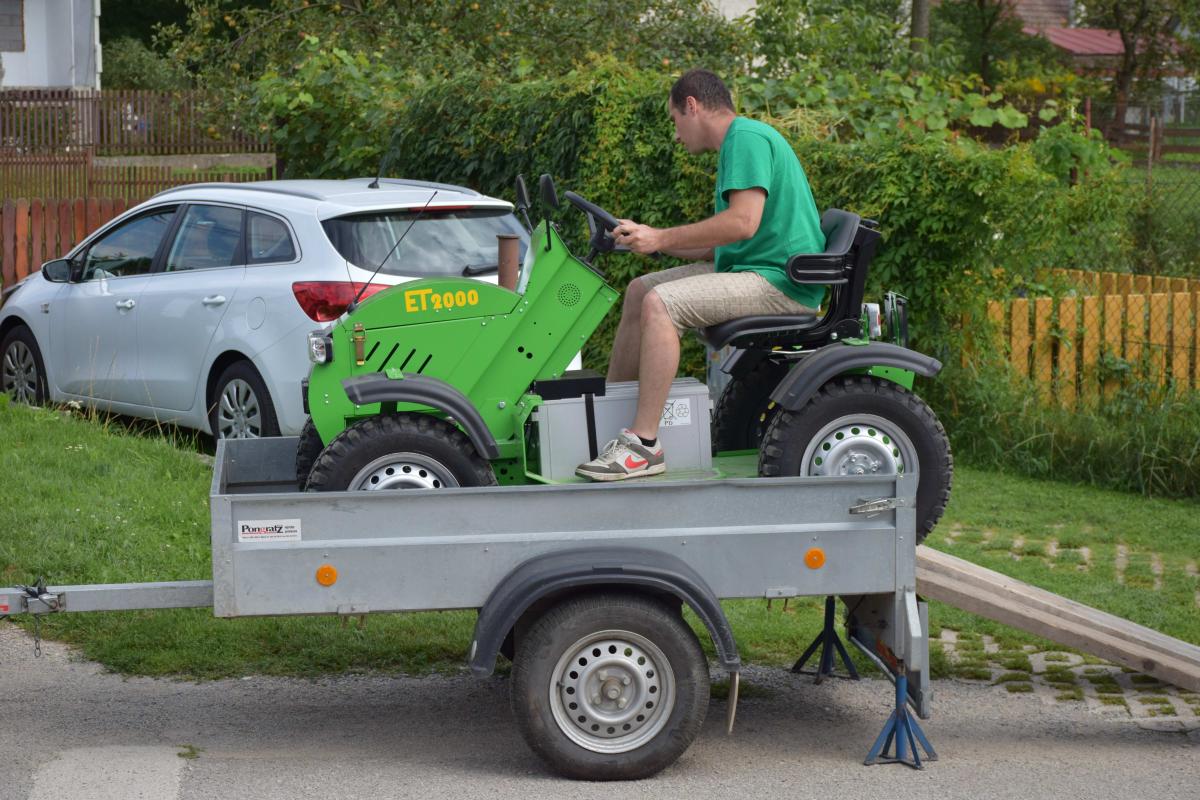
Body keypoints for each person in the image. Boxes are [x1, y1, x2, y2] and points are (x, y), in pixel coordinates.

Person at [575, 69, 826, 482]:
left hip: (781, 282)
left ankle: (643, 447)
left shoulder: (745, 139)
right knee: (641, 290)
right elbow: (722, 244)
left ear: (691, 105)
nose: (676, 135)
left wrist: (660, 236)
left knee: (662, 304)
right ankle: (607, 420)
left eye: (675, 121)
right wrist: (645, 240)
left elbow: (742, 223)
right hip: (755, 269)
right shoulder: (739, 144)